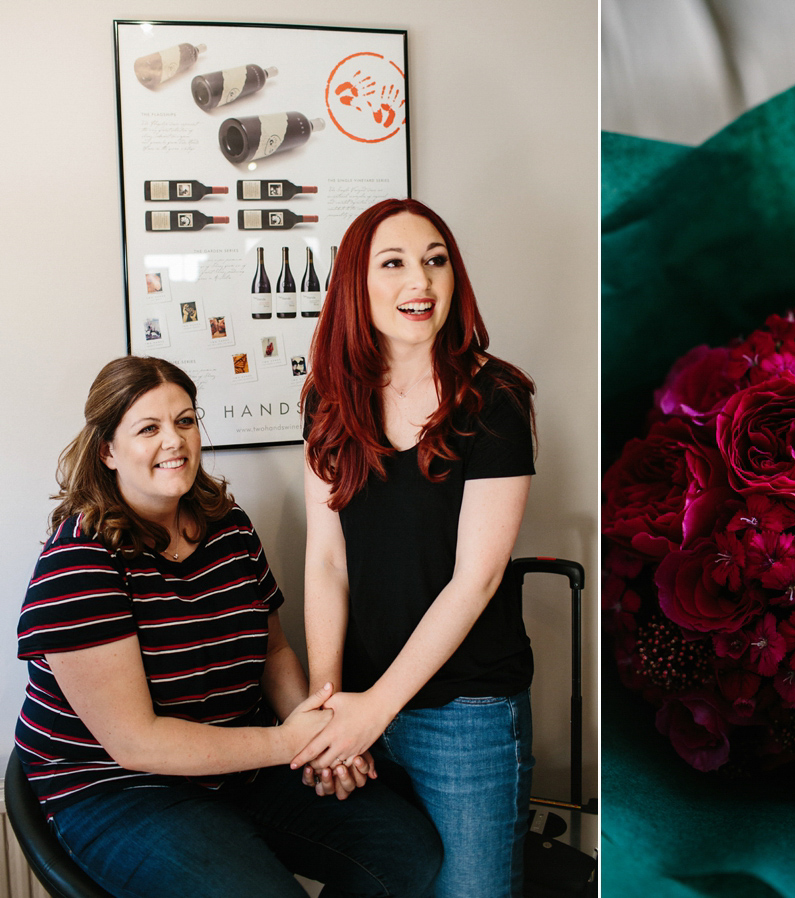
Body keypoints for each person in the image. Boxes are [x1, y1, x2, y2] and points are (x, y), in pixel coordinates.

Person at [14, 356, 441, 898]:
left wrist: (323, 741)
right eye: (149, 428)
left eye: (185, 420)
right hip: (120, 788)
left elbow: (275, 651)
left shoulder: (228, 526)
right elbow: (138, 745)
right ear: (108, 450)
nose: (174, 441)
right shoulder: (79, 563)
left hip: (242, 763)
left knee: (407, 851)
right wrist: (288, 741)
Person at [297, 198, 537, 898]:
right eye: (394, 263)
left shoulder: (494, 397)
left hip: (466, 713)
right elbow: (326, 558)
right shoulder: (326, 398)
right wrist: (328, 704)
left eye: (435, 261)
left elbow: (477, 579)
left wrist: (373, 711)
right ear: (355, 283)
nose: (421, 282)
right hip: (360, 700)